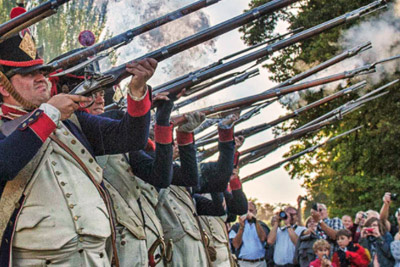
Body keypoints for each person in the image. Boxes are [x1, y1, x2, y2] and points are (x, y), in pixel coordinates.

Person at [0, 30, 154, 266]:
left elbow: (131, 138)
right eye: (29, 74)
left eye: (42, 72)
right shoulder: (36, 119)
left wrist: (137, 90)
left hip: (96, 257)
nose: (42, 78)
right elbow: (5, 163)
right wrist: (49, 113)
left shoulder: (72, 121)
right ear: (3, 87)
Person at [230, 201, 269, 267]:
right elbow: (236, 245)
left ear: (255, 212)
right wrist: (241, 227)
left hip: (260, 263)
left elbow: (263, 238)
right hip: (243, 263)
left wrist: (255, 221)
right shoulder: (236, 227)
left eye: (251, 211)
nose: (248, 213)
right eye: (246, 211)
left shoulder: (262, 225)